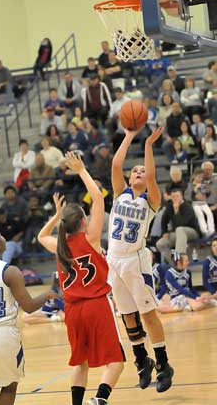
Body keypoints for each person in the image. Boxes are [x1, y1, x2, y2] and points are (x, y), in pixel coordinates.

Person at [38, 152, 125, 405]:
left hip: (73, 311)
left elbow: (41, 237)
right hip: (97, 305)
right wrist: (82, 170)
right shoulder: (91, 239)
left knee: (81, 362)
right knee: (116, 361)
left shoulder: (59, 245)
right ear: (84, 221)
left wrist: (56, 216)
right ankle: (99, 400)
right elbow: (98, 198)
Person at [107, 126, 174, 393]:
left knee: (147, 316)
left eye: (142, 171)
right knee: (127, 317)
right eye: (135, 171)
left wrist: (147, 145)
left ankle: (164, 364)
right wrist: (129, 135)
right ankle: (141, 360)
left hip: (136, 260)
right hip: (114, 259)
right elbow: (115, 163)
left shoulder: (151, 200)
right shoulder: (119, 193)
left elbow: (153, 176)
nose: (138, 173)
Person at [0, 226, 57, 405]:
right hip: (3, 336)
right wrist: (48, 294)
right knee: (9, 386)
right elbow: (28, 307)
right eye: (1, 236)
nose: (5, 238)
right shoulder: (10, 271)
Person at [156, 189, 200, 264]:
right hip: (178, 232)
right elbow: (164, 220)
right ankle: (175, 263)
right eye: (173, 197)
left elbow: (182, 223)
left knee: (180, 229)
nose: (175, 198)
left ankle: (180, 256)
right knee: (160, 243)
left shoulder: (187, 206)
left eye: (177, 196)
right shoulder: (170, 206)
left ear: (181, 197)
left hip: (192, 231)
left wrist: (176, 210)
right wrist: (165, 232)